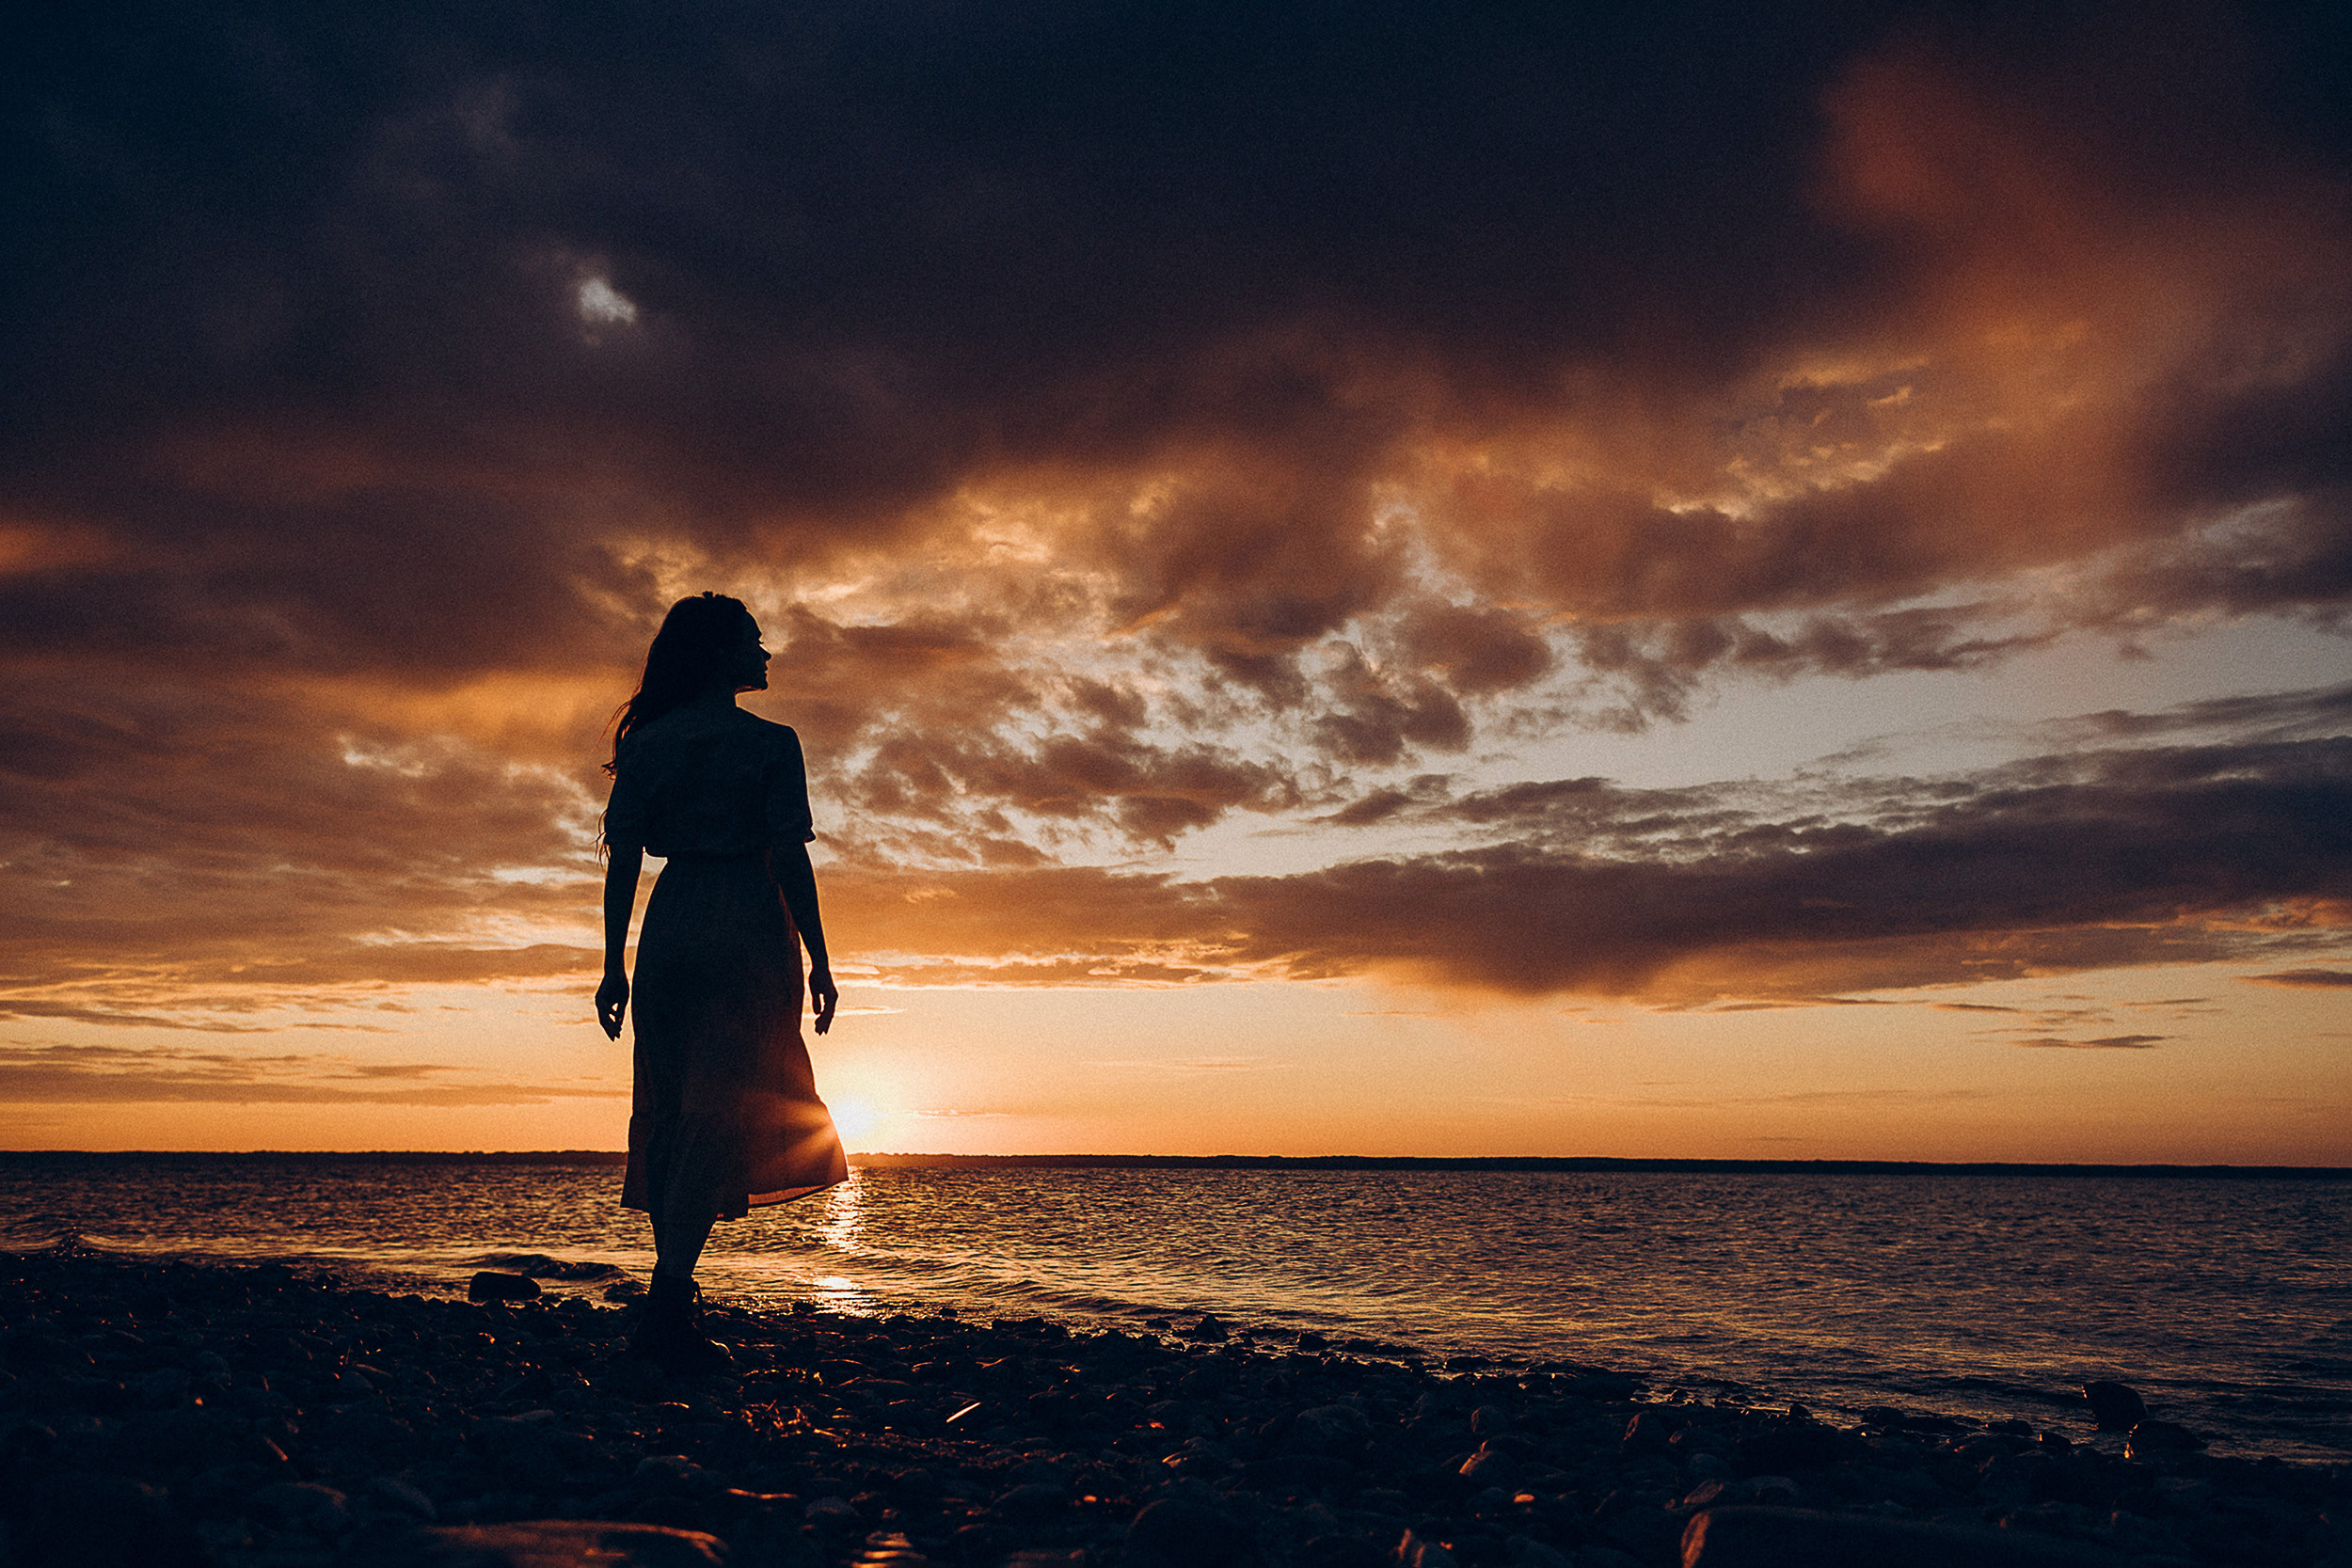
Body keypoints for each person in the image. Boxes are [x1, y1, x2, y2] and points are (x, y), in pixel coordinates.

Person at [596, 592, 847, 1372]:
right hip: (745, 919)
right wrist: (820, 956)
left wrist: (613, 964)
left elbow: (625, 861)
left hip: (669, 927)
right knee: (720, 1108)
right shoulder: (772, 743)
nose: (766, 654)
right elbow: (790, 857)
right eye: (753, 642)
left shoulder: (646, 745)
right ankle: (669, 1302)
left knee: (672, 1105)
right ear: (719, 655)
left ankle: (669, 1302)